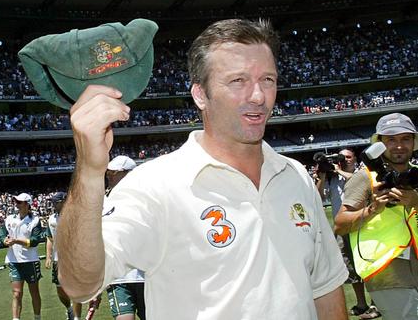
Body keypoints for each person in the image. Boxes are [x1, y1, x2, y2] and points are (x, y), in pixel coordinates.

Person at [57, 18, 348, 319]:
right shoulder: (155, 185)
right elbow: (79, 283)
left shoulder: (296, 176)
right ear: (200, 94)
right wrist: (90, 172)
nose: (259, 96)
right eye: (238, 81)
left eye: (268, 80)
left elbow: (325, 288)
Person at [335, 113, 418, 319]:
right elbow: (339, 225)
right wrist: (373, 209)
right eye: (391, 140)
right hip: (386, 269)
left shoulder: (416, 174)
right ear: (379, 144)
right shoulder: (364, 178)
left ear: (414, 142)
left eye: (405, 138)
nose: (399, 146)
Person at [316, 149, 381, 319]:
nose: (344, 160)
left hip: (363, 225)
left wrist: (338, 170)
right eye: (341, 157)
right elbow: (318, 198)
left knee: (369, 265)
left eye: (348, 157)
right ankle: (361, 304)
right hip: (343, 227)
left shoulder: (363, 173)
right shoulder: (332, 178)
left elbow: (355, 182)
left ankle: (375, 303)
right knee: (350, 267)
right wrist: (322, 175)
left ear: (355, 159)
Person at [104, 156, 146, 320]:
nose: (109, 175)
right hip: (117, 279)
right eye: (108, 172)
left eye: (114, 172)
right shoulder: (104, 201)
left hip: (145, 277)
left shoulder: (147, 200)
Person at [0, 193, 43, 320]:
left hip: (30, 260)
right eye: (15, 201)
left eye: (19, 202)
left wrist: (16, 241)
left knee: (34, 292)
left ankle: (37, 317)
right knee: (16, 293)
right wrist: (4, 241)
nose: (16, 204)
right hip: (14, 260)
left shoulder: (35, 220)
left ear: (27, 204)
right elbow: (2, 232)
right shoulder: (10, 219)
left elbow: (34, 241)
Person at [45, 192, 76, 320]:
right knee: (60, 288)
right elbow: (50, 238)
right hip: (58, 259)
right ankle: (69, 309)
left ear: (63, 201)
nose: (53, 205)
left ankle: (76, 311)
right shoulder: (51, 218)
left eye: (55, 202)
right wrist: (48, 256)